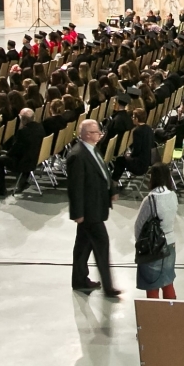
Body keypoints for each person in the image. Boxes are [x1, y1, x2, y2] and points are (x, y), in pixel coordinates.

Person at [67, 119, 119, 296]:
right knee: (102, 244)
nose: (100, 134)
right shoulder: (77, 156)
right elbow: (75, 187)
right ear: (88, 134)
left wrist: (111, 190)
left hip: (96, 205)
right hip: (89, 211)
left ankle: (79, 280)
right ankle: (108, 287)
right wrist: (78, 213)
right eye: (97, 132)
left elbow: (103, 171)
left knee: (83, 245)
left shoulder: (92, 149)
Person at [133, 163, 180, 299]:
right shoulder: (173, 195)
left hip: (153, 246)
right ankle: (172, 310)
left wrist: (140, 243)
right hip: (170, 243)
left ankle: (154, 312)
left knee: (152, 285)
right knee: (168, 281)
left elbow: (139, 225)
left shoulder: (150, 199)